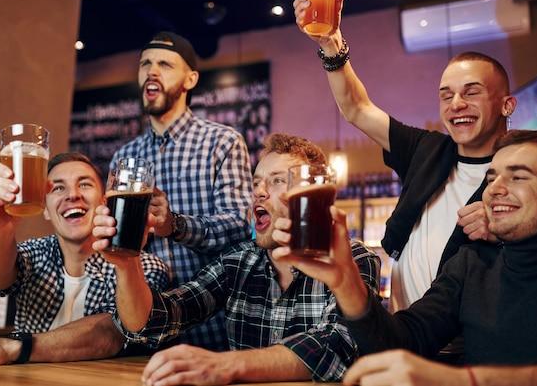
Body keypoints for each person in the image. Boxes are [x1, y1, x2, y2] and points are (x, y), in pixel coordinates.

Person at [293, 0, 517, 359]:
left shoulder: (520, 175)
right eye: (446, 95)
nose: (456, 104)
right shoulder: (426, 150)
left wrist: (507, 231)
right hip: (400, 335)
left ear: (506, 104)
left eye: (471, 92)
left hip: (472, 351)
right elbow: (356, 108)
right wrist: (330, 42)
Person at [93, 133, 381, 385]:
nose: (259, 191)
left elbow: (340, 344)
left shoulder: (353, 258)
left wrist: (226, 364)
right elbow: (155, 321)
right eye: (256, 183)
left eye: (277, 180)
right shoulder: (239, 262)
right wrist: (126, 262)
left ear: (309, 192)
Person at [272, 129, 537, 386]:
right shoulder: (471, 264)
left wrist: (462, 380)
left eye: (518, 176)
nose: (494, 189)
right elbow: (404, 340)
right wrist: (346, 281)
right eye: (490, 178)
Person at [0, 152, 169, 366]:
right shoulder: (35, 253)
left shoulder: (145, 266)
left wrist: (11, 347)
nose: (73, 195)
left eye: (85, 184)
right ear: (45, 208)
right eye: (57, 188)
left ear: (104, 202)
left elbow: (116, 331)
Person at [109, 31, 253, 351]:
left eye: (164, 64)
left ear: (191, 79)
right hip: (148, 330)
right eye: (145, 63)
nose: (151, 71)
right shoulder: (124, 158)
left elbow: (240, 227)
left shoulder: (222, 142)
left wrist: (174, 225)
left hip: (215, 327)